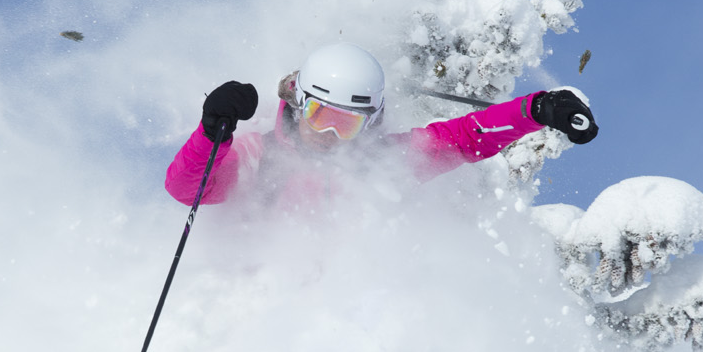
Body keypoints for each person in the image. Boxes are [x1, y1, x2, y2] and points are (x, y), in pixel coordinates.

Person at [165, 42, 597, 208]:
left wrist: (535, 109)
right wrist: (210, 134)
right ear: (299, 105)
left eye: (346, 124)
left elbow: (465, 137)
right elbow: (188, 190)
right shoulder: (261, 157)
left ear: (369, 124)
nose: (329, 135)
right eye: (321, 115)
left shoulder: (385, 163)